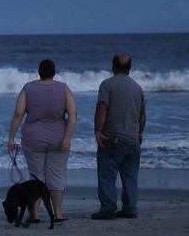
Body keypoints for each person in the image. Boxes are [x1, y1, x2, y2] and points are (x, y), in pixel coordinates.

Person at [8, 59, 77, 222]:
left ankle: (34, 215)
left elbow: (19, 113)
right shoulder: (63, 88)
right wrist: (67, 137)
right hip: (58, 138)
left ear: (39, 72)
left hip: (33, 138)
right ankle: (58, 214)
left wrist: (11, 137)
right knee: (57, 175)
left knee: (36, 177)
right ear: (54, 72)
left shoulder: (28, 88)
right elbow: (73, 114)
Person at [92, 53, 146, 220]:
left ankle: (108, 208)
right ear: (130, 68)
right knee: (130, 176)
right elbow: (142, 114)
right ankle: (130, 208)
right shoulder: (137, 87)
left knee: (107, 173)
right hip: (132, 140)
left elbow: (102, 109)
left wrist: (98, 131)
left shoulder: (107, 85)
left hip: (112, 138)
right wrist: (139, 132)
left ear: (113, 66)